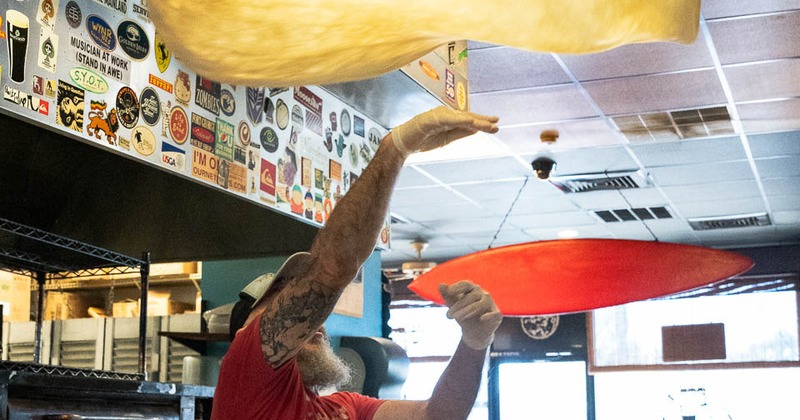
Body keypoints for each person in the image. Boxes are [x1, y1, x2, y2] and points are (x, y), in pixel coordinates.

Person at [212, 106, 503, 420]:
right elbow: (332, 269)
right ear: (246, 333)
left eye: (310, 310)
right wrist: (396, 148)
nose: (314, 321)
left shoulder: (343, 407)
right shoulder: (246, 369)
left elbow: (438, 415)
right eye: (281, 304)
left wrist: (475, 342)